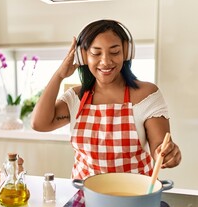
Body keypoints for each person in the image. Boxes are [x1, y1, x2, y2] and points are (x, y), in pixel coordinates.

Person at [31, 19, 182, 179]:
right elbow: (39, 124)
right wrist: (59, 75)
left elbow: (159, 146)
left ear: (126, 52)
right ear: (83, 57)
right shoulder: (76, 98)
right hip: (85, 198)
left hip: (135, 198)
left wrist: (168, 153)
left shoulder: (146, 95)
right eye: (96, 53)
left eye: (115, 52)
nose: (106, 61)